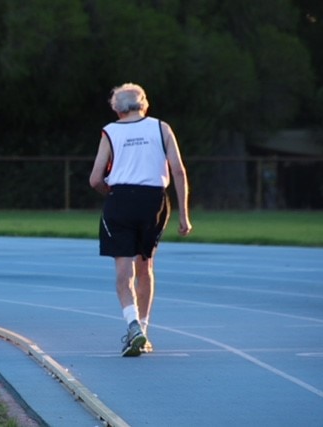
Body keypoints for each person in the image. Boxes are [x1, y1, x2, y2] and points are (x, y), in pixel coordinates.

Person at [89, 82, 192, 357]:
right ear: (144, 103)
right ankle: (144, 332)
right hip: (154, 201)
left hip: (121, 199)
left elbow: (95, 178)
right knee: (145, 266)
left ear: (116, 108)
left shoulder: (110, 131)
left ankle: (132, 324)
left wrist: (111, 193)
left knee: (124, 272)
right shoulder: (162, 128)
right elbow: (178, 171)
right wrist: (184, 214)